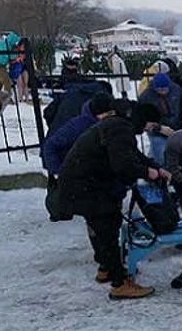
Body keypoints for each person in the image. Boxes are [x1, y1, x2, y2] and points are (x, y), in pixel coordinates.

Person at [56, 101, 170, 300]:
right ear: (143, 119)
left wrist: (155, 167)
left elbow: (132, 154)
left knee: (104, 225)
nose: (147, 130)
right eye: (149, 125)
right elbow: (123, 164)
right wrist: (147, 172)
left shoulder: (119, 124)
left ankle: (107, 268)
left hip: (82, 184)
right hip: (85, 186)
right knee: (107, 225)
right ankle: (120, 284)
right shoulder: (120, 129)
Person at [42, 93, 117, 221]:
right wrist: (57, 172)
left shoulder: (110, 124)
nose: (111, 118)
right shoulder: (78, 126)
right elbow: (50, 146)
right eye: (107, 114)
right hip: (72, 168)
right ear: (97, 114)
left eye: (113, 114)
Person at [139, 72, 182, 165]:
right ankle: (159, 169)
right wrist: (159, 128)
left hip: (176, 127)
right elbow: (143, 118)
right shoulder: (146, 97)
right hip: (157, 132)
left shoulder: (176, 89)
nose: (163, 92)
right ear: (155, 88)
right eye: (160, 90)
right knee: (161, 157)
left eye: (165, 89)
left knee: (179, 155)